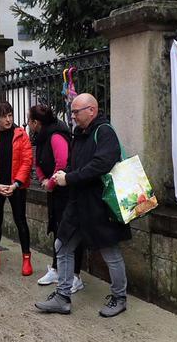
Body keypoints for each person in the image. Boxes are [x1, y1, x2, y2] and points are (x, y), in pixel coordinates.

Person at [35, 94, 132, 318]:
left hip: (100, 205)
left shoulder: (104, 131)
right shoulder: (79, 133)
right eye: (72, 112)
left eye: (76, 112)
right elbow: (76, 163)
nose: (73, 116)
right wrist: (66, 172)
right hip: (77, 203)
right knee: (62, 245)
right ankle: (62, 296)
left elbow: (101, 164)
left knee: (110, 251)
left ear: (92, 110)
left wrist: (69, 178)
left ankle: (119, 297)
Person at [29, 104, 85, 293]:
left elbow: (62, 162)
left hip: (66, 191)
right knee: (57, 228)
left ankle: (76, 275)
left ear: (36, 123)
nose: (28, 125)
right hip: (54, 191)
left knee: (68, 232)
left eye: (30, 121)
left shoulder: (56, 135)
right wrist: (43, 179)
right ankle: (56, 268)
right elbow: (37, 162)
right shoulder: (41, 137)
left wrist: (50, 183)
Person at [0, 100, 34, 276]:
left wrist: (16, 183)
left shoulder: (21, 135)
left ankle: (26, 259)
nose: (8, 120)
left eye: (10, 115)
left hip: (16, 186)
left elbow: (27, 161)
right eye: (4, 117)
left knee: (21, 221)